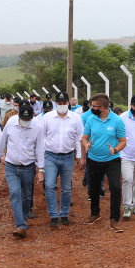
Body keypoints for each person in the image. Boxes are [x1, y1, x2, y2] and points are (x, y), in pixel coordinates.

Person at [0, 103, 45, 238]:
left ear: (32, 117)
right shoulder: (10, 123)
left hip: (28, 167)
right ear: (18, 116)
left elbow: (39, 150)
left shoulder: (37, 128)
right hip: (11, 166)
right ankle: (20, 225)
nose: (25, 122)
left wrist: (41, 170)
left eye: (28, 120)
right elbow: (2, 142)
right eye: (23, 119)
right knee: (15, 193)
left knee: (27, 196)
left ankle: (23, 216)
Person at [80, 93, 126, 233]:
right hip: (94, 159)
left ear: (102, 107)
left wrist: (116, 149)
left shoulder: (117, 120)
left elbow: (123, 141)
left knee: (115, 188)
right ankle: (95, 213)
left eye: (93, 106)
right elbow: (84, 137)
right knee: (93, 188)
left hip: (112, 160)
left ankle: (114, 219)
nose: (91, 108)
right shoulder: (91, 119)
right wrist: (86, 145)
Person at [42, 91, 84, 227]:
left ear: (68, 103)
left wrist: (80, 156)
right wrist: (40, 160)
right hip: (50, 156)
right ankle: (53, 215)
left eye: (64, 103)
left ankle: (64, 214)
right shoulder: (47, 118)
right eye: (59, 103)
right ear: (55, 103)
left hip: (68, 156)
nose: (61, 105)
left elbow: (79, 138)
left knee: (66, 188)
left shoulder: (75, 118)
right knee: (49, 186)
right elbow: (41, 138)